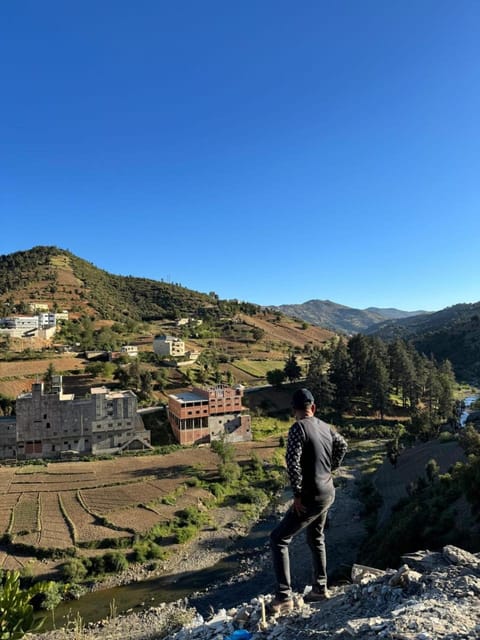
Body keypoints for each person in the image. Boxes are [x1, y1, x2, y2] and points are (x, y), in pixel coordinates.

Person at [269, 388, 348, 614]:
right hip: (328, 491)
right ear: (313, 408)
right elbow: (343, 445)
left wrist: (297, 494)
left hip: (311, 496)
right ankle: (320, 589)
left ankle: (284, 597)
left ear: (295, 410)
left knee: (278, 539)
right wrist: (330, 468)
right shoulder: (325, 426)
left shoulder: (298, 429)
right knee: (316, 537)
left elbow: (292, 463)